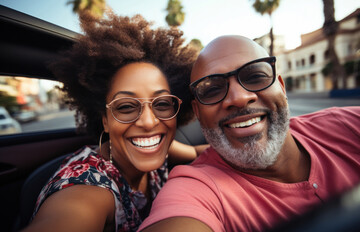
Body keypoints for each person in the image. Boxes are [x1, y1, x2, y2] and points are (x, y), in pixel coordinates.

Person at [138, 35, 360, 232]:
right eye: (212, 89)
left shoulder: (348, 124)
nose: (239, 98)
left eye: (254, 76)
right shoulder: (194, 190)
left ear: (281, 87)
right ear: (197, 112)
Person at [23, 12, 207, 232]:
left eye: (162, 104)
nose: (149, 122)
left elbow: (197, 153)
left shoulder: (159, 147)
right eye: (126, 107)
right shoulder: (87, 185)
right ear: (105, 120)